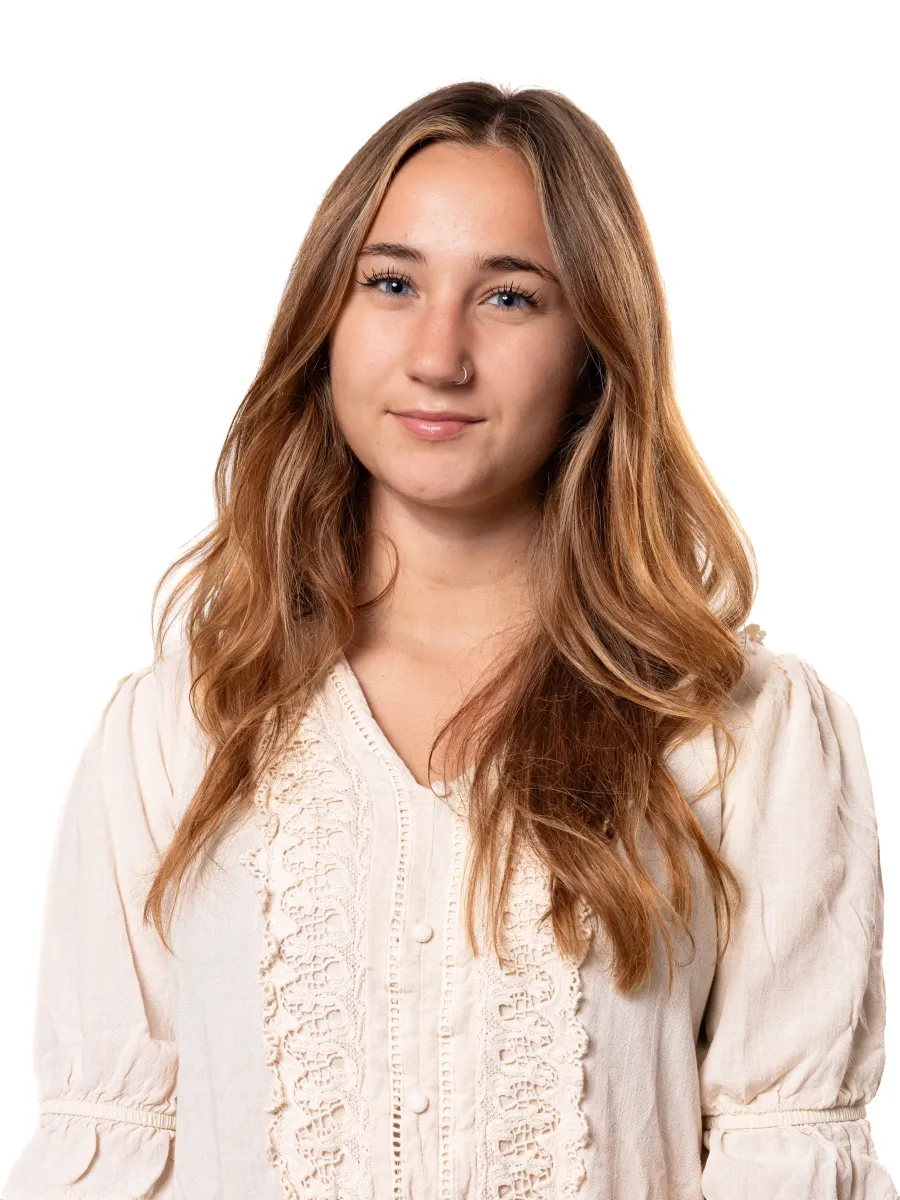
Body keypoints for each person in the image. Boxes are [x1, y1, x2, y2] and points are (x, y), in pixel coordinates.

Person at [2, 81, 896, 1200]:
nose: (439, 354)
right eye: (391, 282)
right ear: (326, 319)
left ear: (594, 347)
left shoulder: (745, 735)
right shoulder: (181, 728)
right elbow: (107, 1149)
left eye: (511, 297)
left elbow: (789, 1151)